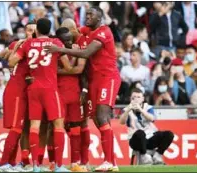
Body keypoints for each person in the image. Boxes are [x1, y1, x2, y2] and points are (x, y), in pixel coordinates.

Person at [45, 7, 121, 171]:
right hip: (93, 81)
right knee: (97, 120)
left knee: (102, 116)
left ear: (99, 18)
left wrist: (60, 49)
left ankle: (109, 161)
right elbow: (68, 31)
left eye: (91, 15)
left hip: (107, 78)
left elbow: (86, 53)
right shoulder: (86, 31)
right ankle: (111, 163)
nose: (87, 17)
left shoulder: (104, 32)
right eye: (86, 14)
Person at [8, 18, 71, 172]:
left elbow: (11, 62)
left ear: (37, 31)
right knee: (58, 126)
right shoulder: (55, 42)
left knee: (34, 127)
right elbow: (68, 67)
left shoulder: (28, 44)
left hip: (33, 88)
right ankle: (58, 166)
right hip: (50, 88)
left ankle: (36, 166)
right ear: (49, 30)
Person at [0, 22, 37, 172]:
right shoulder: (21, 44)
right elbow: (2, 56)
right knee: (17, 128)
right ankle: (3, 163)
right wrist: (15, 47)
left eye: (33, 30)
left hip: (26, 91)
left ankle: (12, 163)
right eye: (28, 30)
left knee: (21, 128)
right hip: (17, 90)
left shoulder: (36, 46)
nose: (30, 33)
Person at [56, 19, 91, 171]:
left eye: (70, 34)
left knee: (80, 126)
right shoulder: (56, 48)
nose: (69, 40)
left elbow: (80, 71)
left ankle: (79, 161)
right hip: (59, 93)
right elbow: (73, 69)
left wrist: (84, 90)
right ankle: (54, 163)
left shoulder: (81, 46)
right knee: (57, 128)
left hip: (77, 92)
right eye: (66, 38)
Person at [120, 88, 174, 165]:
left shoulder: (148, 107)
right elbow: (121, 122)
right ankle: (144, 156)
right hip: (136, 140)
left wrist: (141, 110)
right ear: (130, 99)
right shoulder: (126, 109)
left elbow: (152, 119)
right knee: (140, 133)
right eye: (133, 97)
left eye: (138, 97)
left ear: (143, 99)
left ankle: (158, 155)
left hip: (150, 137)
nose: (136, 99)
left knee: (169, 134)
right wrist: (128, 110)